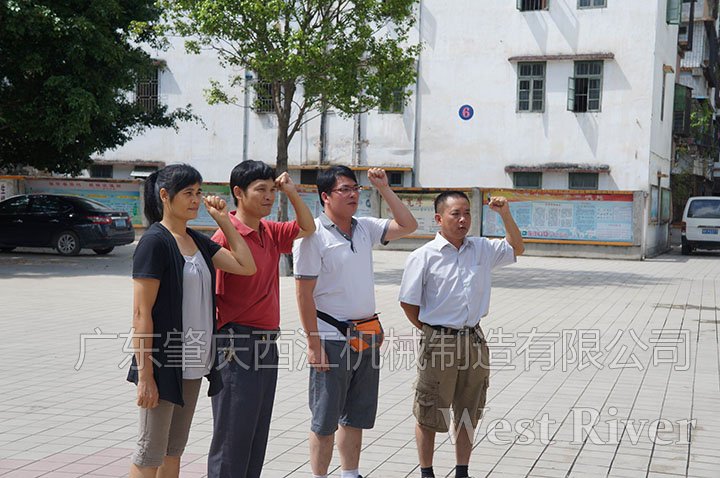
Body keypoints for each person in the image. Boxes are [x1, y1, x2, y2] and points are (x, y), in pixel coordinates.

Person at [128, 164, 257, 478]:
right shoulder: (155, 242)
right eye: (188, 193)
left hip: (194, 362)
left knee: (173, 451)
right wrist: (145, 376)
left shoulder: (197, 241)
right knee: (149, 453)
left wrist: (224, 221)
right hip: (164, 362)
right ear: (165, 195)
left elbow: (246, 265)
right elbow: (141, 314)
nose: (196, 200)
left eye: (199, 192)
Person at [294, 166, 418, 478]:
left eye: (355, 188)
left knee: (356, 416)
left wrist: (384, 189)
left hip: (366, 334)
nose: (352, 195)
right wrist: (313, 344)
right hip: (330, 339)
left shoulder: (364, 228)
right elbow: (303, 294)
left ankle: (350, 473)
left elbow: (408, 225)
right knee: (324, 419)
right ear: (325, 196)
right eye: (344, 189)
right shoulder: (312, 236)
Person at [398, 191, 524, 478]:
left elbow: (517, 247)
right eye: (455, 213)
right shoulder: (423, 256)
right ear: (439, 218)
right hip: (439, 342)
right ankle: (427, 472)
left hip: (474, 339)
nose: (463, 219)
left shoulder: (481, 248)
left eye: (467, 213)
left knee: (469, 408)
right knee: (430, 408)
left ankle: (462, 471)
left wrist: (505, 214)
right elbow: (408, 303)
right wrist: (432, 331)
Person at [207, 160, 316, 478]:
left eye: (272, 190)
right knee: (232, 435)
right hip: (236, 343)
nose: (269, 196)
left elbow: (308, 227)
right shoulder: (223, 237)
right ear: (238, 192)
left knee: (255, 433)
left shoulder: (269, 231)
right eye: (261, 190)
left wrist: (291, 192)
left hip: (267, 342)